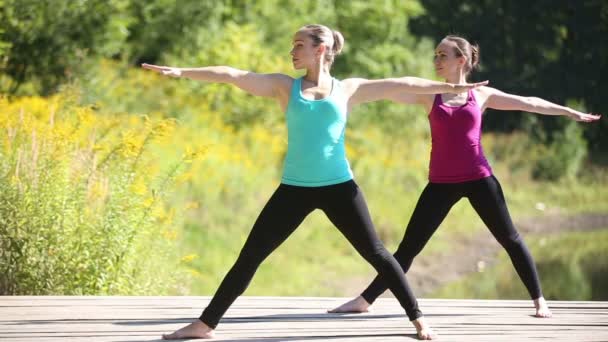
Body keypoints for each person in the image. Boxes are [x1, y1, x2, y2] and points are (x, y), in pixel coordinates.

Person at [142, 25, 486, 340]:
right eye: (293, 44)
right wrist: (182, 72)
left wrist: (452, 88)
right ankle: (205, 325)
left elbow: (405, 84)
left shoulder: (349, 89)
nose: (292, 51)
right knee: (250, 256)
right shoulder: (283, 86)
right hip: (294, 189)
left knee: (378, 253)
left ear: (321, 50)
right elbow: (233, 75)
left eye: (299, 45)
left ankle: (418, 319)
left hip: (340, 188)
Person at [329, 35, 601, 318]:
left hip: (479, 179)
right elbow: (392, 88)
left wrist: (569, 113)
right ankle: (365, 300)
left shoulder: (481, 95)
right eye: (435, 55)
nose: (436, 60)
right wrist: (346, 92)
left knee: (510, 239)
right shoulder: (428, 94)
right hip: (441, 184)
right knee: (409, 248)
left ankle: (539, 300)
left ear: (461, 60)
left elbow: (528, 103)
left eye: (442, 55)